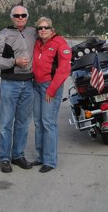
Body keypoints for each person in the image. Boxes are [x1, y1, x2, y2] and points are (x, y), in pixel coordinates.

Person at [0, 5, 37, 173]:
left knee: (23, 123)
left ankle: (18, 155)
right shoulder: (3, 35)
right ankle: (4, 158)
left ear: (27, 16)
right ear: (12, 17)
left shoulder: (33, 32)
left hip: (29, 83)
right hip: (10, 84)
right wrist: (14, 62)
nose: (20, 18)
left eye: (23, 15)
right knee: (6, 122)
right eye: (16, 15)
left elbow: (48, 36)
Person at [32, 17, 72, 173]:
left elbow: (64, 69)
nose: (43, 30)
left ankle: (50, 160)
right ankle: (41, 156)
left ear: (52, 29)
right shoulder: (37, 43)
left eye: (46, 27)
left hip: (50, 87)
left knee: (48, 122)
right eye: (40, 28)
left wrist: (51, 89)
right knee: (38, 122)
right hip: (36, 86)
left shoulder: (60, 43)